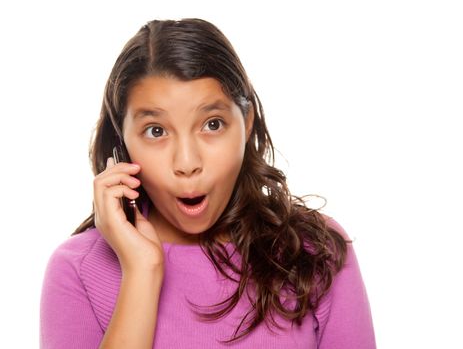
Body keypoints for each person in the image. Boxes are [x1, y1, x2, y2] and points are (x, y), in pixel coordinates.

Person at [40, 18, 375, 348]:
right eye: (156, 131)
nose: (187, 163)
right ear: (122, 144)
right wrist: (142, 272)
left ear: (245, 124)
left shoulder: (314, 251)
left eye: (212, 124)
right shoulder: (77, 271)